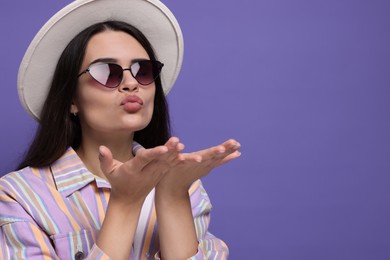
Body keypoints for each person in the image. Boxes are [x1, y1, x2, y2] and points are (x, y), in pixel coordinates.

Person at [0, 0, 241, 259]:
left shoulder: (185, 186)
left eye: (143, 70)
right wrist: (124, 203)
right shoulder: (20, 195)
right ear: (71, 99)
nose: (130, 83)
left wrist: (173, 197)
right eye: (107, 72)